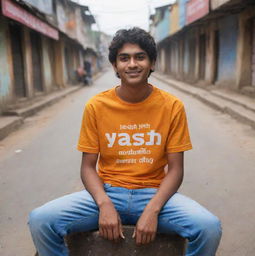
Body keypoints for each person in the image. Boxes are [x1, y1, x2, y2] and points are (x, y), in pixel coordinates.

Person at [28, 27, 222, 256]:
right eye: (124, 58)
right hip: (108, 191)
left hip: (155, 193)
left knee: (209, 228)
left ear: (152, 63)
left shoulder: (172, 106)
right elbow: (88, 167)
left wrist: (153, 209)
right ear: (115, 66)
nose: (132, 64)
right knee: (40, 220)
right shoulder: (97, 106)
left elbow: (176, 169)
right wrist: (104, 204)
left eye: (140, 57)